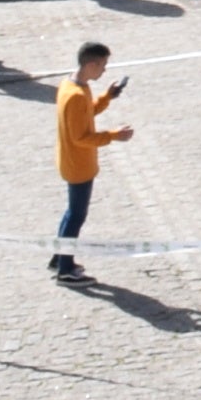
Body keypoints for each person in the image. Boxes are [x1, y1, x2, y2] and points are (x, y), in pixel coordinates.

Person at [51, 42, 131, 282]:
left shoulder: (72, 85)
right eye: (103, 65)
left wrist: (107, 97)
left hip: (72, 161)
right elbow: (81, 137)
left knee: (70, 214)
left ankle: (59, 257)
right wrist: (113, 136)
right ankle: (65, 269)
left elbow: (85, 115)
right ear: (91, 64)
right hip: (78, 165)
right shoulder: (76, 95)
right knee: (76, 216)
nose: (104, 71)